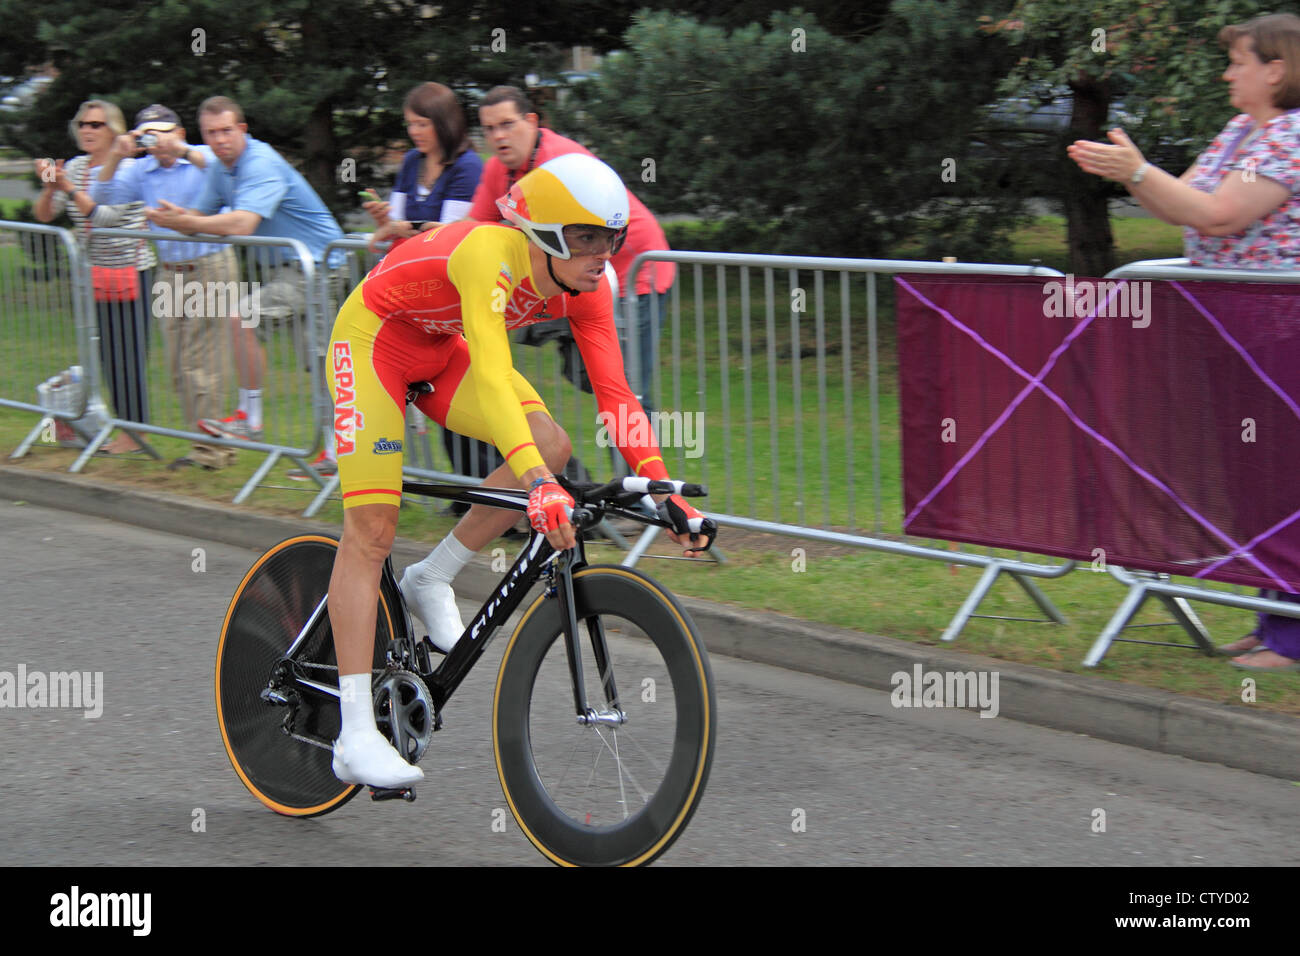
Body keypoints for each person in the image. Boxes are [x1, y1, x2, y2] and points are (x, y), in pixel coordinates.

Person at [326, 154, 716, 788]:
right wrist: (536, 489)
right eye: (587, 238)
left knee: (551, 445)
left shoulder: (591, 284)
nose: (602, 253)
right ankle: (353, 734)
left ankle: (433, 577)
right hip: (374, 340)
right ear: (547, 235)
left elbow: (616, 395)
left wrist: (664, 490)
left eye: (611, 239)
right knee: (371, 532)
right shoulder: (491, 255)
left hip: (438, 347)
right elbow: (490, 371)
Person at [1068, 12, 1300, 671]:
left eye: (1238, 62)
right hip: (1237, 331)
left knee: (1286, 481)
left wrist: (1139, 172)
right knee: (1258, 481)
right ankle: (1273, 621)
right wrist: (1132, 174)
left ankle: (1293, 639)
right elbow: (1181, 204)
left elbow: (1220, 215)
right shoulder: (1242, 131)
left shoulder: (1289, 135)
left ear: (1275, 71)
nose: (1228, 72)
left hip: (1281, 331)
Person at [146, 96, 344, 455]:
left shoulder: (260, 162)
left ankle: (251, 420)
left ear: (242, 129)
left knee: (247, 320)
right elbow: (200, 216)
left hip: (317, 266)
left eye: (226, 131)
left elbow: (241, 223)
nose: (220, 140)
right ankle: (333, 455)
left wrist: (188, 222)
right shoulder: (221, 168)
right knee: (318, 364)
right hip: (290, 268)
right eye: (211, 134)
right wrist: (179, 216)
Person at [470, 86, 676, 416]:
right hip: (583, 277)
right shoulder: (498, 167)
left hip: (635, 274)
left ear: (532, 121)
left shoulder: (561, 162)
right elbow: (475, 229)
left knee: (627, 391)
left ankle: (641, 470)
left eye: (507, 124)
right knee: (596, 379)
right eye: (489, 129)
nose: (498, 136)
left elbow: (531, 241)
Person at [353, 81, 497, 488]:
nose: (415, 132)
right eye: (410, 124)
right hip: (422, 302)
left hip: (458, 297)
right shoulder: (412, 163)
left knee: (475, 392)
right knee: (443, 395)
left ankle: (499, 486)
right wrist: (385, 220)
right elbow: (399, 229)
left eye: (423, 123)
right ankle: (472, 489)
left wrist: (405, 227)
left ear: (444, 123)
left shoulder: (468, 167)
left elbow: (455, 234)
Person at [91, 103, 238, 471]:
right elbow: (101, 197)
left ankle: (212, 452)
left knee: (203, 363)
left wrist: (183, 151)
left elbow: (230, 172)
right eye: (147, 133)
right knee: (179, 364)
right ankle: (203, 443)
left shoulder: (203, 156)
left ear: (180, 132)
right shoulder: (141, 169)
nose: (155, 140)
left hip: (210, 263)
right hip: (170, 270)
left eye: (162, 131)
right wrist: (116, 154)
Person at [34, 99, 157, 454]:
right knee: (107, 355)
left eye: (96, 125)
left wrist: (67, 188)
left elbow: (103, 217)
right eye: (83, 124)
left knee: (129, 354)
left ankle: (137, 433)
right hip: (97, 273)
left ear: (113, 130)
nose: (87, 130)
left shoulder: (129, 170)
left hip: (133, 270)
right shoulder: (75, 167)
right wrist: (49, 186)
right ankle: (124, 427)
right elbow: (45, 215)